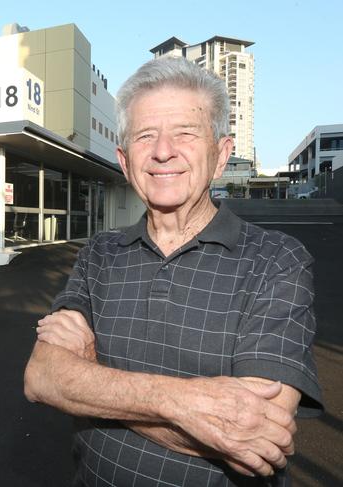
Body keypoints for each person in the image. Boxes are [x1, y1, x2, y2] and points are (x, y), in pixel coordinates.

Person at [23, 56, 322, 486]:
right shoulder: (99, 253)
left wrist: (90, 374)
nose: (164, 151)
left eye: (186, 132)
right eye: (146, 135)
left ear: (221, 155)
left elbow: (255, 435)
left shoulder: (275, 260)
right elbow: (42, 376)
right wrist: (183, 403)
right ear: (125, 162)